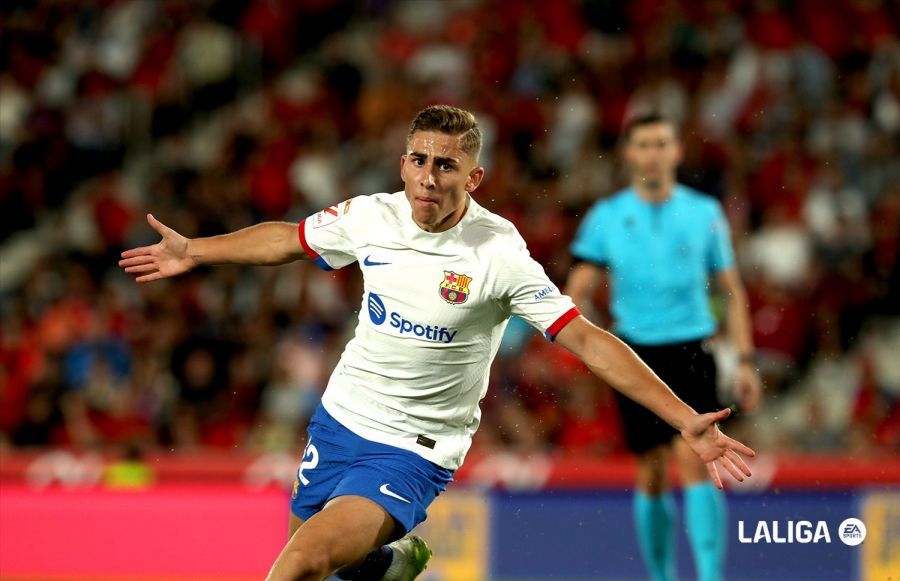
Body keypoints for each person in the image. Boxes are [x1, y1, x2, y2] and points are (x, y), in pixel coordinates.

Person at [119, 105, 755, 581]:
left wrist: (684, 421)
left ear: (473, 177)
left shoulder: (498, 254)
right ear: (403, 164)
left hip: (415, 447)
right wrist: (194, 251)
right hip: (339, 421)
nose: (427, 178)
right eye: (418, 161)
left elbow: (586, 340)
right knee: (328, 569)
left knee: (297, 564)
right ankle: (391, 566)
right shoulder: (372, 216)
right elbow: (289, 238)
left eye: (445, 165)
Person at [566, 112, 763, 581]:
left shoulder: (704, 213)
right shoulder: (607, 218)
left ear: (675, 151)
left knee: (695, 460)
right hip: (636, 356)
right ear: (629, 153)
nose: (653, 152)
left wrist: (747, 360)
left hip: (692, 351)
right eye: (644, 144)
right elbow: (575, 291)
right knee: (651, 471)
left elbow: (731, 288)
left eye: (661, 143)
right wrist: (593, 346)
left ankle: (710, 576)